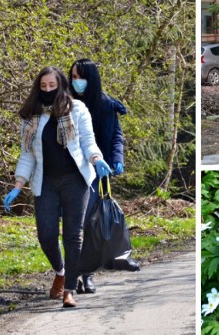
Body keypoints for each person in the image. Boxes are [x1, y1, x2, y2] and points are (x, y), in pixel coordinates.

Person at [3, 66, 111, 308]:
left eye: (52, 86)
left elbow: (87, 142)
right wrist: (18, 184)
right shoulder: (32, 116)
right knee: (46, 234)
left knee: (73, 235)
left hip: (75, 179)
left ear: (61, 85)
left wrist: (97, 159)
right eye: (43, 87)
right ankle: (61, 271)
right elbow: (27, 154)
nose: (48, 90)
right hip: (46, 181)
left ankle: (69, 290)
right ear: (37, 88)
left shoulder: (77, 109)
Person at [68, 58, 134, 295]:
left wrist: (117, 159)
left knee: (90, 224)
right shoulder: (65, 104)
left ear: (91, 78)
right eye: (73, 77)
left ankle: (86, 274)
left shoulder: (106, 105)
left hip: (97, 173)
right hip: (71, 172)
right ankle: (72, 275)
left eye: (80, 77)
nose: (76, 82)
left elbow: (116, 136)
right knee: (73, 226)